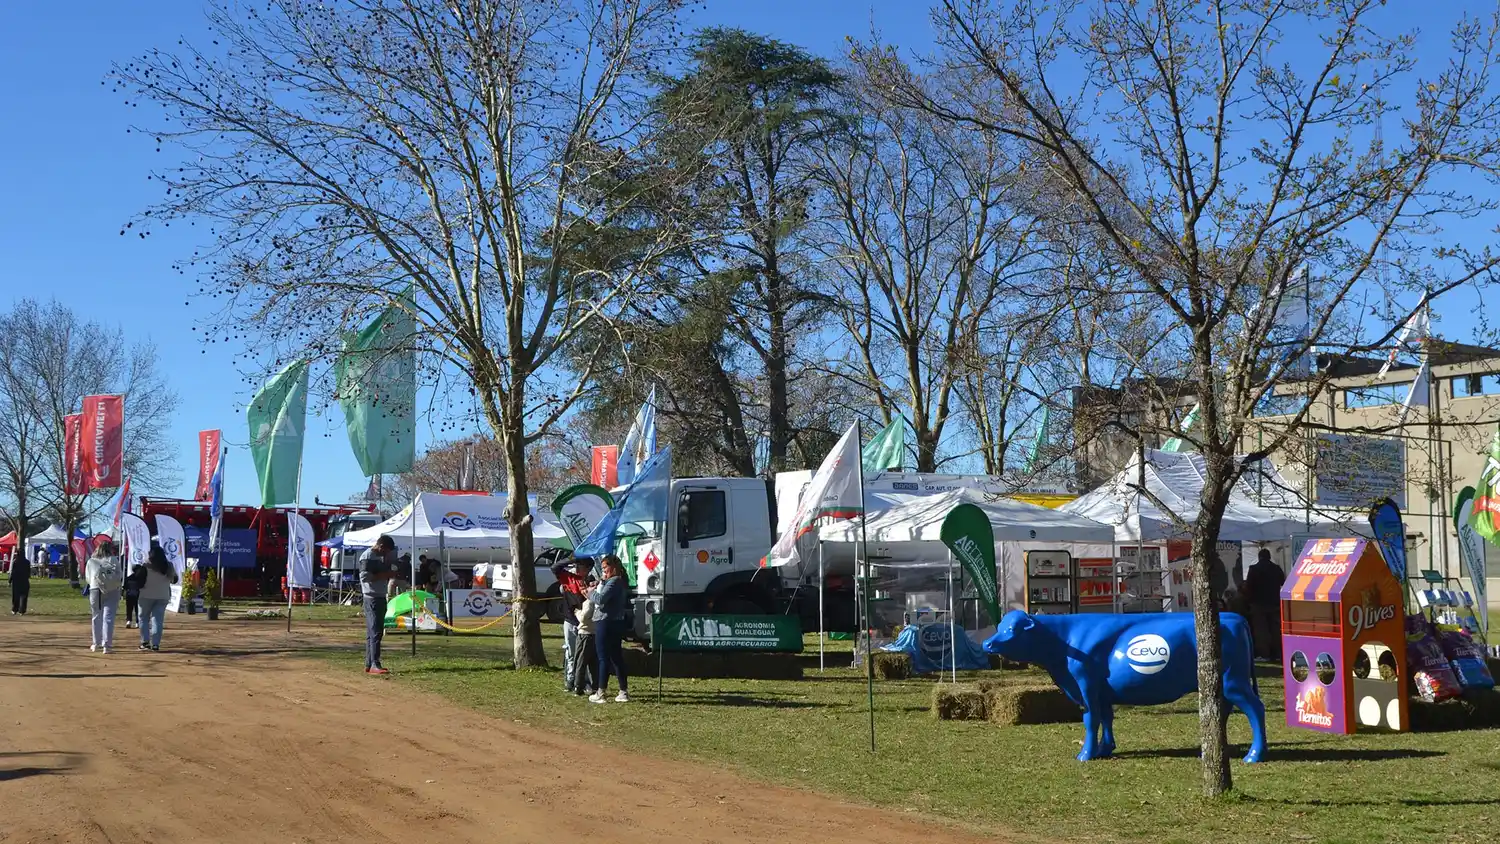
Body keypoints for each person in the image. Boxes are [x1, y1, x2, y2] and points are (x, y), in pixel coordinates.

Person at [589, 555, 630, 704]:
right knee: (616, 657)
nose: (603, 571)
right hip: (616, 622)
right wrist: (600, 582)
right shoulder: (619, 581)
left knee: (603, 657)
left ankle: (600, 692)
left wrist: (590, 592)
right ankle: (623, 691)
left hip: (605, 621)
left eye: (605, 568)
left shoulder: (615, 581)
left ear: (613, 567)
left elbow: (601, 599)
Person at [550, 556, 594, 694]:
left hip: (584, 623)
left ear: (588, 569)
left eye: (581, 566)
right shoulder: (568, 577)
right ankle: (570, 680)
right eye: (577, 565)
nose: (578, 568)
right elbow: (554, 567)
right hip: (569, 620)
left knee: (584, 654)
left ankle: (584, 681)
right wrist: (572, 559)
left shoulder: (591, 581)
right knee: (570, 652)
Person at [359, 536, 403, 675]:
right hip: (372, 597)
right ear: (381, 546)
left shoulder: (380, 557)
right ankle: (375, 663)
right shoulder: (368, 556)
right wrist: (386, 575)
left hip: (379, 596)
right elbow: (365, 577)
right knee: (376, 631)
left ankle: (369, 663)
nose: (386, 554)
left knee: (372, 632)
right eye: (386, 551)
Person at [1245, 548, 1287, 661]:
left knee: (1261, 630)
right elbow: (1283, 582)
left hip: (1258, 603)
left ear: (1259, 557)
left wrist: (1249, 600)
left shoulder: (1254, 569)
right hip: (1274, 603)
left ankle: (1264, 654)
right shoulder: (1276, 568)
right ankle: (1277, 653)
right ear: (1269, 557)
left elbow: (1249, 586)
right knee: (1275, 629)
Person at [85, 541, 125, 653]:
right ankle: (107, 645)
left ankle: (96, 643)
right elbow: (119, 575)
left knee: (96, 616)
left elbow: (87, 578)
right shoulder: (113, 560)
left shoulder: (91, 561)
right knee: (108, 617)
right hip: (112, 589)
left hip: (95, 589)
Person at [138, 543, 178, 652]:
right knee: (157, 620)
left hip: (146, 595)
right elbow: (174, 580)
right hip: (163, 596)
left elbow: (139, 581)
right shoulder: (169, 566)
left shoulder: (145, 566)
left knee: (143, 618)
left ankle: (145, 642)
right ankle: (155, 644)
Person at [124, 561, 146, 629]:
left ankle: (129, 621)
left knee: (129, 609)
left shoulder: (128, 578)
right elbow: (142, 586)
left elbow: (125, 587)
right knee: (137, 609)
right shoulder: (141, 579)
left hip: (129, 595)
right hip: (138, 595)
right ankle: (137, 622)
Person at [8, 547, 29, 615]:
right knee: (24, 596)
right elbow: (28, 573)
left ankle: (15, 609)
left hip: (16, 581)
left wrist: (10, 581)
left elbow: (13, 572)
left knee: (16, 596)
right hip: (24, 580)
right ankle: (22, 610)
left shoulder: (15, 561)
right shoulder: (27, 562)